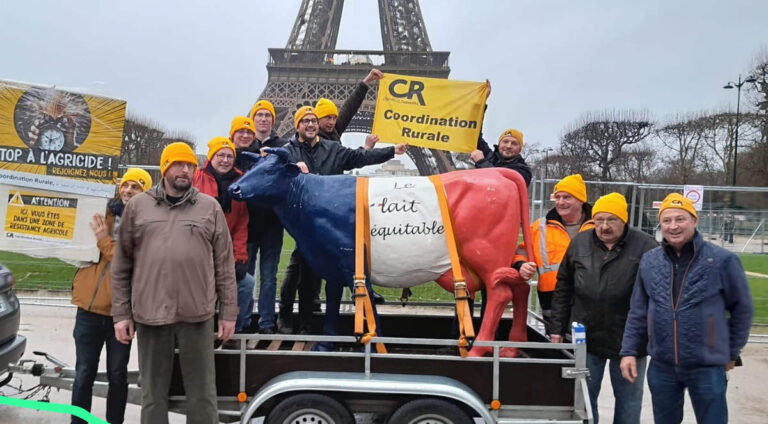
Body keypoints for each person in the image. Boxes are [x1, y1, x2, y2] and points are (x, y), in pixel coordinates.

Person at [111, 142, 238, 423]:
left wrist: (228, 313)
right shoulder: (138, 207)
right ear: (165, 167)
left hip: (198, 315)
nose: (185, 170)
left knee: (203, 394)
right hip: (150, 314)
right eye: (179, 164)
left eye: (190, 165)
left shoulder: (209, 207)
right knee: (153, 395)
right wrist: (121, 314)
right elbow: (121, 265)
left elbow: (225, 266)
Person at [620, 193, 753, 424]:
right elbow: (638, 311)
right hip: (662, 365)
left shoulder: (722, 260)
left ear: (694, 220)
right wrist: (629, 351)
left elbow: (742, 309)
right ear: (660, 224)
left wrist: (731, 351)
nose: (673, 226)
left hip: (707, 365)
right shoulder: (650, 261)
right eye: (667, 220)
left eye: (680, 219)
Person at [277, 106, 407, 334]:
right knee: (302, 274)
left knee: (322, 275)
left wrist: (391, 151)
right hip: (307, 225)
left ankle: (313, 325)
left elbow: (360, 157)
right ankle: (289, 318)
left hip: (330, 223)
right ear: (297, 126)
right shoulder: (288, 152)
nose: (310, 124)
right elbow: (274, 173)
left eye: (313, 121)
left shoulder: (332, 149)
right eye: (305, 121)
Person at [550, 193, 656, 424]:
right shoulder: (580, 242)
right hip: (586, 337)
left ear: (624, 220)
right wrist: (557, 329)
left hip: (629, 340)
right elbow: (563, 287)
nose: (604, 226)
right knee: (584, 400)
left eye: (611, 220)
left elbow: (658, 296)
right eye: (599, 220)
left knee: (629, 402)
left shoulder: (647, 247)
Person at [70, 168, 151, 424]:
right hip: (88, 310)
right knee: (84, 373)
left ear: (145, 192)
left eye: (136, 187)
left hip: (121, 313)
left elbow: (127, 261)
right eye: (125, 185)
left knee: (118, 375)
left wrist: (104, 241)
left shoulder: (147, 224)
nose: (128, 190)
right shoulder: (101, 212)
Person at [513, 174, 594, 333]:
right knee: (558, 350)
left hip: (589, 300)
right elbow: (521, 252)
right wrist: (521, 265)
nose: (560, 202)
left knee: (586, 351)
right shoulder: (540, 227)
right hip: (552, 301)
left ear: (580, 200)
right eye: (557, 197)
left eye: (566, 197)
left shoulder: (597, 227)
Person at [194, 136, 253, 338]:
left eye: (229, 156)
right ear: (211, 157)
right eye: (221, 155)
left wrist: (240, 259)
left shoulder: (240, 182)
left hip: (224, 254)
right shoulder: (196, 179)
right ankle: (202, 329)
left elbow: (241, 226)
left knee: (248, 284)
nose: (226, 160)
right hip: (198, 253)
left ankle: (237, 329)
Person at [233, 107, 286, 333]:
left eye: (267, 116)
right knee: (246, 276)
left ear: (273, 121)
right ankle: (244, 320)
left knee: (269, 276)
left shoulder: (282, 146)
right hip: (248, 223)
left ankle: (266, 322)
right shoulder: (245, 149)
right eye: (260, 115)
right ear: (253, 120)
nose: (263, 119)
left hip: (272, 222)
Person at [315, 68, 384, 143]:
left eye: (334, 118)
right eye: (328, 118)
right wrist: (367, 147)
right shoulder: (312, 139)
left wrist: (366, 81)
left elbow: (350, 107)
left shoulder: (334, 131)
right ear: (317, 119)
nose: (332, 122)